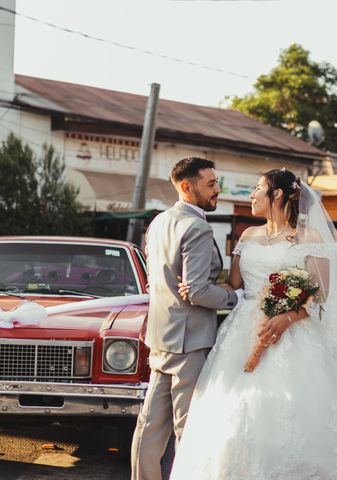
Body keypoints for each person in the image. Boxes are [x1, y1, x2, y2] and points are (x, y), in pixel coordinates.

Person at [170, 168, 337, 479]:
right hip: (242, 334)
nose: (251, 195)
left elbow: (320, 296)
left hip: (292, 335)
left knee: (296, 414)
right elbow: (234, 286)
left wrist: (287, 316)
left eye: (258, 188)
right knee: (236, 412)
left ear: (276, 195)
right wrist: (195, 290)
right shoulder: (247, 235)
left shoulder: (309, 239)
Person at [130, 157, 241, 480]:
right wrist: (235, 297)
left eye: (217, 182)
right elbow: (197, 292)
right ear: (186, 186)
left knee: (150, 425)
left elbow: (156, 283)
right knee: (188, 426)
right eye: (211, 184)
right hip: (189, 339)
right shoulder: (197, 226)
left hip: (161, 335)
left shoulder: (159, 222)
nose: (217, 190)